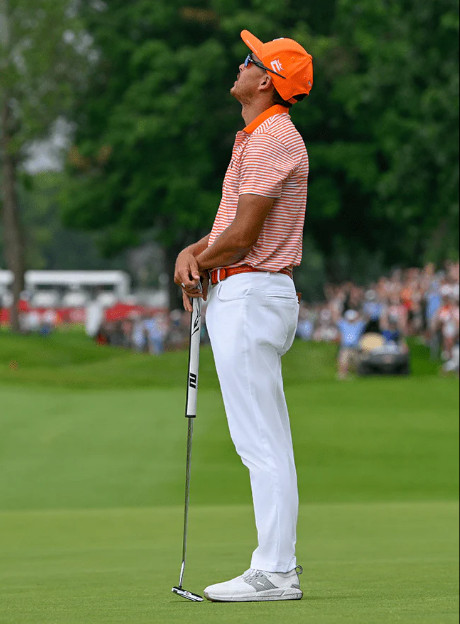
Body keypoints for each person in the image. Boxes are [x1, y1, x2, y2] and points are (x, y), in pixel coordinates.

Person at [174, 30, 313, 602]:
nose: (241, 63)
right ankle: (276, 567)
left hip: (254, 295)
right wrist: (197, 251)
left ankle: (276, 571)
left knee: (261, 441)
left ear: (267, 81)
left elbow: (244, 236)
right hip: (243, 292)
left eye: (252, 60)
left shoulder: (276, 137)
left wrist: (200, 258)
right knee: (262, 438)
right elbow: (230, 230)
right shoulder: (255, 135)